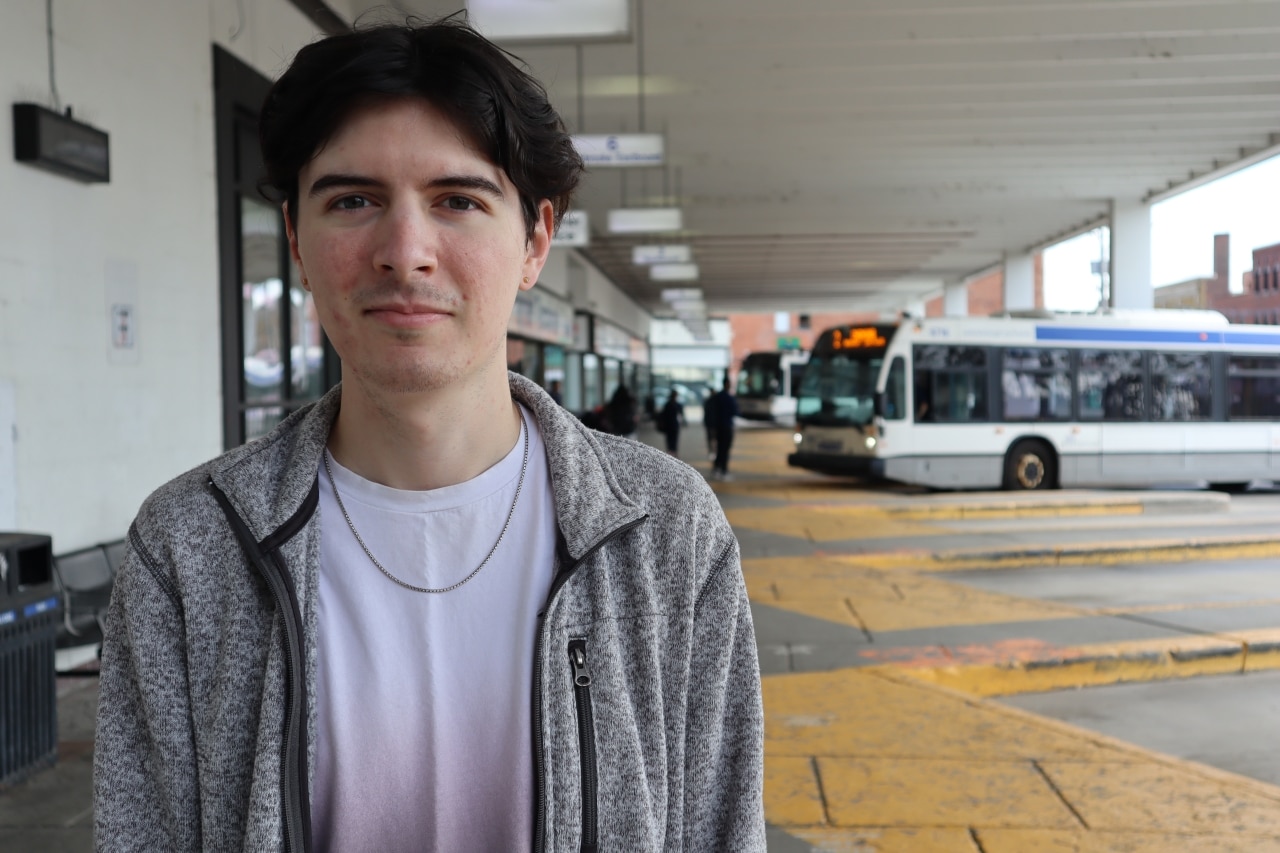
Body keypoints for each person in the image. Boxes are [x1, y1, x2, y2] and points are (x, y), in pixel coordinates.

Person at [94, 19, 764, 853]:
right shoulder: (189, 550)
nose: (405, 253)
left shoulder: (666, 532)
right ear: (297, 240)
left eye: (458, 200)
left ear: (535, 241)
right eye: (353, 200)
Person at [709, 375, 741, 481]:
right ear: (727, 384)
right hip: (727, 427)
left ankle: (716, 469)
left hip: (719, 427)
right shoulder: (729, 397)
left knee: (719, 448)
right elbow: (735, 411)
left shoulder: (717, 397)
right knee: (725, 449)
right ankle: (723, 470)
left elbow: (712, 412)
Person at [658, 388, 685, 456]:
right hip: (673, 424)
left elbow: (663, 415)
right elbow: (681, 414)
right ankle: (673, 451)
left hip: (669, 424)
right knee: (673, 439)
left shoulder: (668, 404)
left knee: (670, 439)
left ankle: (671, 452)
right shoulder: (677, 405)